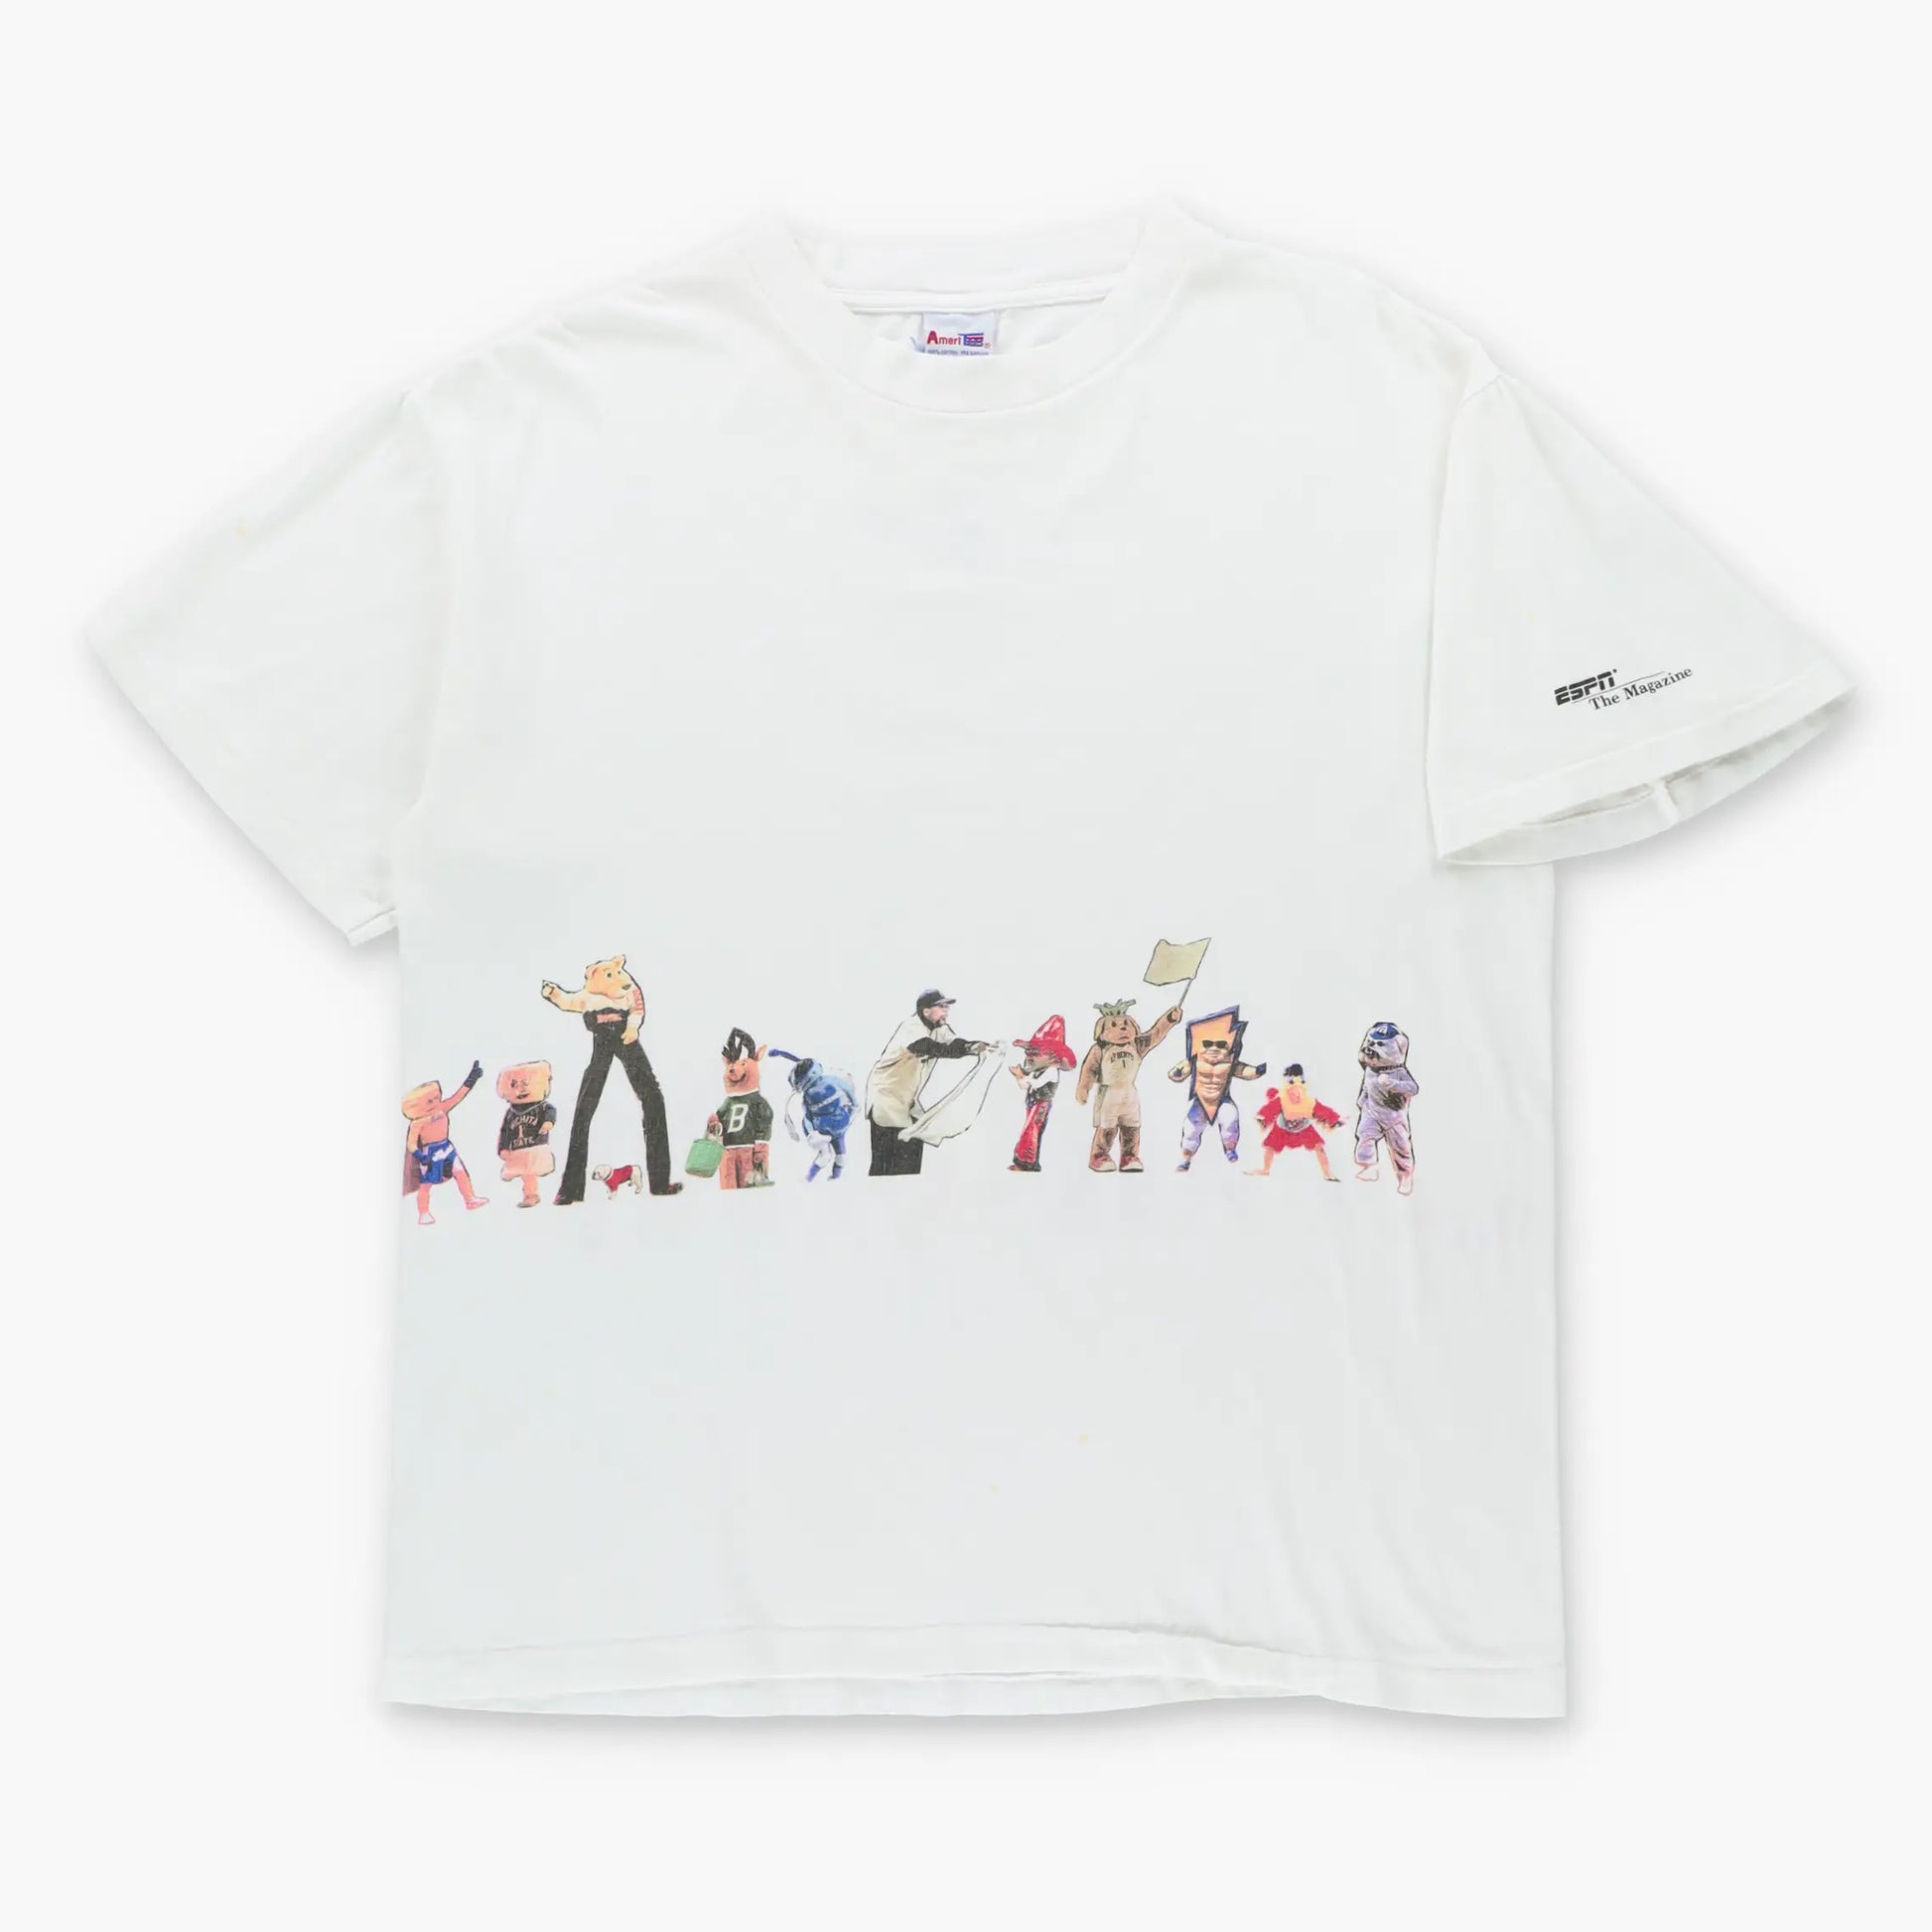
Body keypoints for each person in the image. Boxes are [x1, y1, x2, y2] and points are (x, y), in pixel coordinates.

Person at [864, 989, 995, 1176]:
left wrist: (972, 1046)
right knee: (886, 1165)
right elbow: (929, 1047)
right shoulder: (911, 1027)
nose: (946, 1011)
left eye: (947, 1007)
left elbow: (953, 1044)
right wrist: (966, 1050)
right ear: (926, 1011)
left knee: (909, 1160)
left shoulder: (939, 1028)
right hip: (886, 1099)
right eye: (942, 1007)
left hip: (906, 1102)